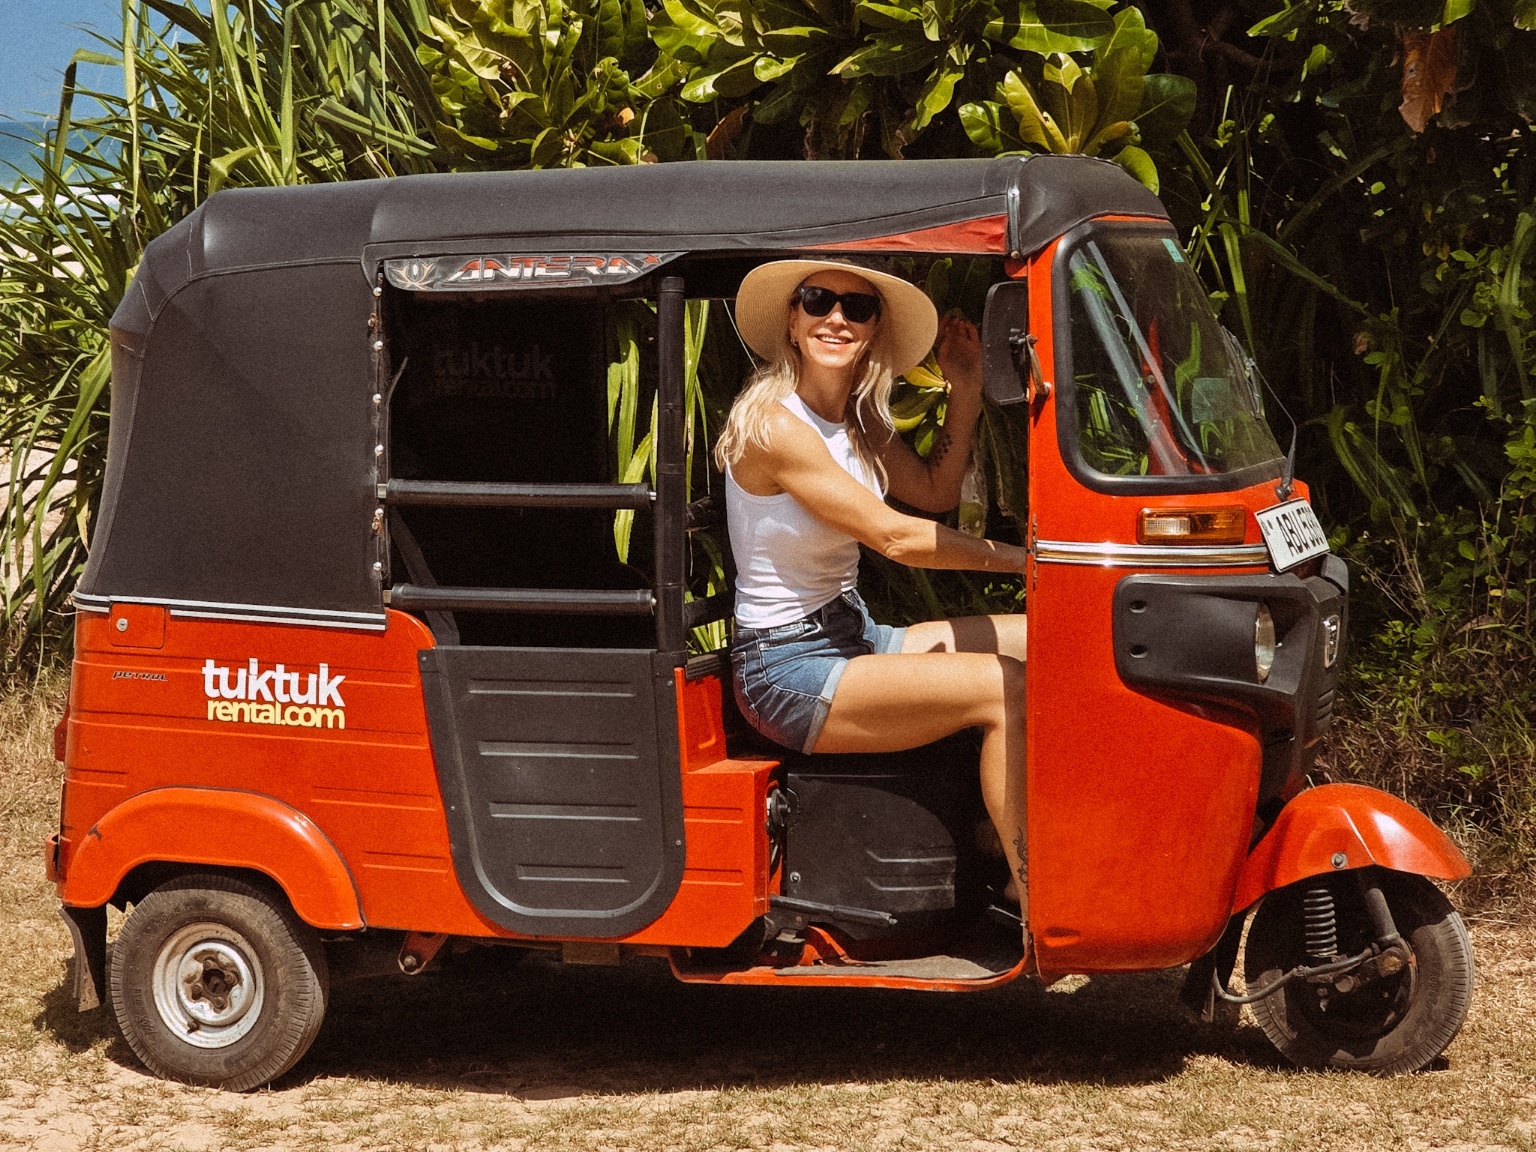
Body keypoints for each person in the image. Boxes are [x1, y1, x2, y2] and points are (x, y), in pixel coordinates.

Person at [716, 258, 1032, 926]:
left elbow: (934, 496)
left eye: (857, 309)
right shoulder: (776, 426)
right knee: (1006, 687)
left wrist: (966, 389)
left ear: (874, 331)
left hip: (851, 636)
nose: (836, 317)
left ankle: (992, 836)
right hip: (787, 670)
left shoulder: (859, 418)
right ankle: (1035, 892)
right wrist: (1029, 561)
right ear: (793, 324)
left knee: (1045, 637)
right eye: (817, 301)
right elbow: (895, 537)